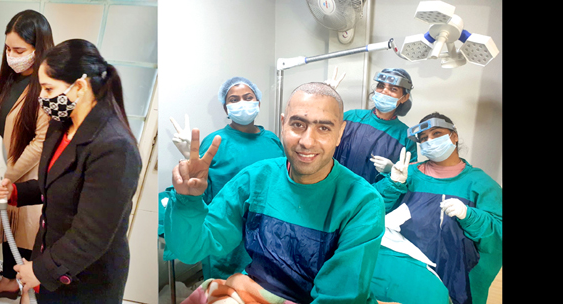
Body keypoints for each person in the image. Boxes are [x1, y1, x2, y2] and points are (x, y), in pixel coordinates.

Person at [164, 82, 385, 303]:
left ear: (340, 133)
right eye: (298, 124)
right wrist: (187, 201)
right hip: (250, 292)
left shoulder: (362, 203)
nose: (307, 141)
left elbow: (339, 297)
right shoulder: (254, 179)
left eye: (324, 128)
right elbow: (193, 248)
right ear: (283, 125)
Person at [0, 39, 142, 303]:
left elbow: (92, 235)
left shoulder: (114, 147)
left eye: (48, 88)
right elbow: (58, 184)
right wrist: (14, 192)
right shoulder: (62, 126)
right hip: (53, 258)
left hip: (86, 278)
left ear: (79, 87)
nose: (42, 98)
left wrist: (39, 270)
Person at [369, 113, 502, 304]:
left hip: (454, 286)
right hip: (401, 279)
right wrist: (393, 183)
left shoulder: (481, 184)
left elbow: (498, 237)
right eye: (423, 139)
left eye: (437, 134)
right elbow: (370, 211)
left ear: (454, 136)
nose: (429, 141)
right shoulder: (408, 173)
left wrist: (471, 216)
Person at [164, 76, 284, 281]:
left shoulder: (273, 141)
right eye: (234, 100)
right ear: (225, 108)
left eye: (248, 97)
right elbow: (198, 187)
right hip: (226, 235)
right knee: (224, 290)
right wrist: (186, 156)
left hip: (267, 232)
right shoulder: (215, 142)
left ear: (258, 103)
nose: (242, 103)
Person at [0, 10, 54, 301]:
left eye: (19, 50)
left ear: (39, 49)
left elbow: (41, 142)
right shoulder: (9, 80)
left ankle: (22, 288)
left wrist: (6, 176)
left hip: (22, 182)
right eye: (8, 48)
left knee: (22, 238)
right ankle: (9, 282)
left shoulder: (46, 87)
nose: (11, 55)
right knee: (7, 235)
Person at [333, 68, 418, 184]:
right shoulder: (351, 117)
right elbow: (318, 135)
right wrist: (323, 99)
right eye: (381, 86)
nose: (384, 91)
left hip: (372, 197)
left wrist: (392, 170)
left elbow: (410, 178)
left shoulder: (405, 136)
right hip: (334, 187)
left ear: (404, 97)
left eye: (393, 89)